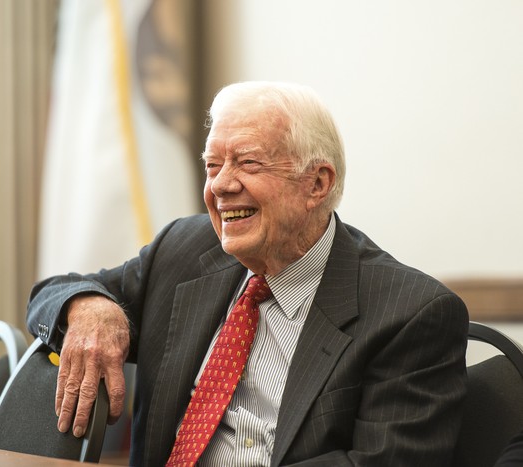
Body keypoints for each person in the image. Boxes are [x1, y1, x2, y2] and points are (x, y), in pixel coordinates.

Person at [27, 81, 469, 466]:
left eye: (248, 163)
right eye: (212, 165)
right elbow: (53, 292)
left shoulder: (410, 314)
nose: (220, 185)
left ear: (317, 184)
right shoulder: (183, 250)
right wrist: (92, 308)